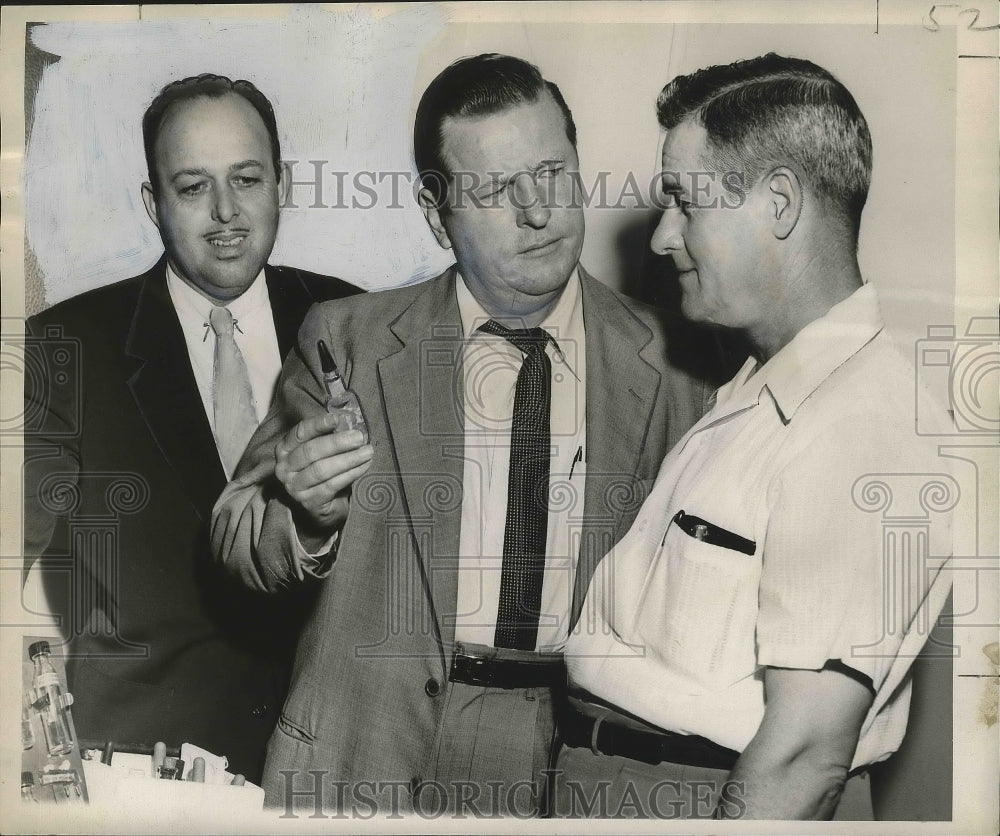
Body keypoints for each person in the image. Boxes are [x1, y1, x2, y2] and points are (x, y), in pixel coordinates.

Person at [212, 53, 714, 816]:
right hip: (368, 753)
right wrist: (305, 516)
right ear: (433, 209)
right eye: (491, 191)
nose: (537, 212)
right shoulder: (347, 341)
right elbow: (233, 533)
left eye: (551, 173)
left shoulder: (678, 365)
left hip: (574, 760)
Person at [555, 53, 954, 820]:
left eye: (686, 203)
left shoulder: (861, 424)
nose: (665, 237)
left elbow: (804, 757)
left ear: (778, 204)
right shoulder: (756, 388)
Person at [22, 73, 361, 782]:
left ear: (281, 183)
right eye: (192, 187)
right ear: (153, 203)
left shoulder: (357, 322)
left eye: (246, 178)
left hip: (328, 768)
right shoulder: (65, 351)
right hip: (142, 774)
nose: (227, 212)